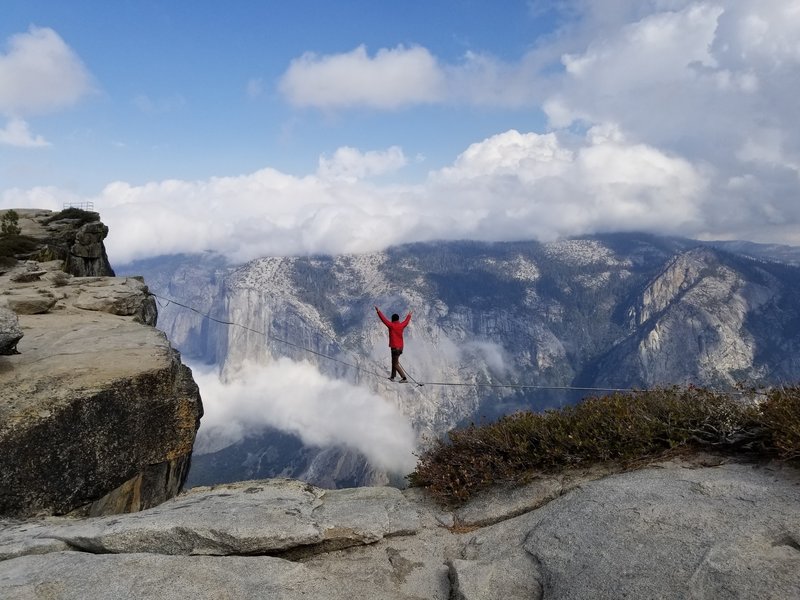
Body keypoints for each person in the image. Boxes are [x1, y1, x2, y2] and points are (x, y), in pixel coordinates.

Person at [375, 306, 411, 382]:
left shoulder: (391, 325)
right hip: (401, 347)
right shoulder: (401, 325)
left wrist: (378, 311)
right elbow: (406, 321)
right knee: (394, 362)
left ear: (392, 319)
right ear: (398, 319)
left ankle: (404, 378)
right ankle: (393, 376)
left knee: (395, 364)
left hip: (395, 348)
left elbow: (383, 319)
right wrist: (409, 315)